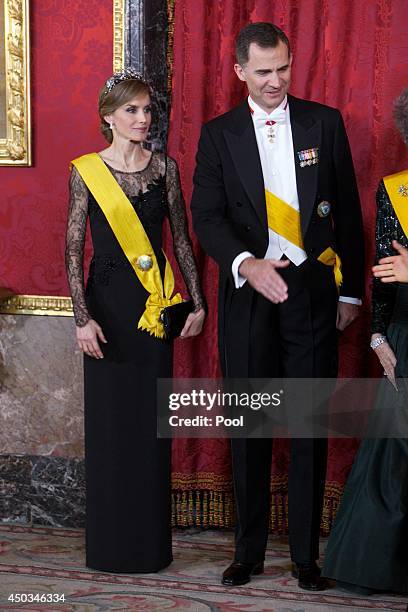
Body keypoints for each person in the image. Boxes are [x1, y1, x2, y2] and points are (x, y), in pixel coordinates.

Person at [190, 22, 364, 591]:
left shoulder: (324, 121)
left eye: (283, 68)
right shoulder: (218, 135)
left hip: (312, 297)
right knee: (252, 427)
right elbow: (207, 217)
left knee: (308, 425)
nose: (275, 81)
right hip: (249, 300)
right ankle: (248, 553)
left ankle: (307, 558)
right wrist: (247, 263)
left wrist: (349, 291)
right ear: (239, 71)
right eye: (262, 71)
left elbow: (349, 213)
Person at [65, 68, 205, 573]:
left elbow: (183, 242)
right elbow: (73, 249)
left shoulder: (164, 168)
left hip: (153, 308)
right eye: (132, 110)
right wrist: (82, 319)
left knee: (150, 426)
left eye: (148, 110)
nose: (143, 118)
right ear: (109, 116)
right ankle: (108, 547)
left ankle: (148, 547)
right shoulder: (85, 171)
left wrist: (198, 302)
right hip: (106, 310)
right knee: (110, 426)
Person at [322, 88, 408, 594]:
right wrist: (378, 335)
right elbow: (383, 273)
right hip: (405, 335)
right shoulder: (395, 190)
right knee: (393, 462)